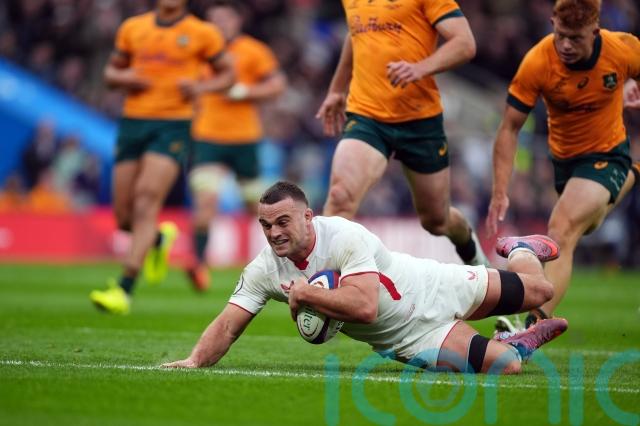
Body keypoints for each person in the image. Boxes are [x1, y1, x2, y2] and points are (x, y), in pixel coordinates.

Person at [163, 181, 568, 374]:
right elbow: (228, 325)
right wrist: (194, 361)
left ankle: (520, 250)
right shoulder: (264, 269)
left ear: (308, 217)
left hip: (432, 285)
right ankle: (512, 342)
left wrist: (306, 294)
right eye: (266, 225)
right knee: (507, 366)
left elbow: (365, 306)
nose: (274, 233)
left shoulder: (344, 236)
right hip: (409, 339)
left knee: (541, 291)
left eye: (283, 221)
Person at [486, 0, 640, 331]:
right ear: (553, 23)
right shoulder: (538, 60)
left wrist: (633, 84)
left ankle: (531, 329)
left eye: (575, 38)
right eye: (561, 35)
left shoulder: (623, 49)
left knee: (561, 229)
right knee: (588, 224)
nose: (566, 45)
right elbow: (509, 127)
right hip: (565, 163)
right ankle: (635, 173)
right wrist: (500, 191)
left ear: (595, 31)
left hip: (607, 154)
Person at [316, 0, 490, 267]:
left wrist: (420, 68)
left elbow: (465, 43)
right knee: (340, 198)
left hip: (420, 121)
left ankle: (476, 257)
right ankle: (325, 287)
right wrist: (337, 88)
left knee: (436, 220)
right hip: (367, 116)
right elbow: (356, 33)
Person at [90, 0, 235, 314]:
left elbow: (228, 75)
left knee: (146, 200)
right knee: (123, 217)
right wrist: (126, 79)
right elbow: (110, 73)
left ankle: (124, 289)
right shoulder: (133, 28)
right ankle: (157, 239)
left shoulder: (202, 33)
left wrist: (200, 87)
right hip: (132, 123)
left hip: (173, 125)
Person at [186, 0, 287, 291]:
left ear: (237, 21)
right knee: (206, 202)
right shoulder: (197, 51)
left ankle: (283, 263)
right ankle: (198, 264)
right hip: (207, 137)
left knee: (256, 208)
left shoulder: (253, 51)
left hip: (244, 139)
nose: (219, 25)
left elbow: (277, 85)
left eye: (225, 19)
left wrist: (245, 91)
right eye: (213, 20)